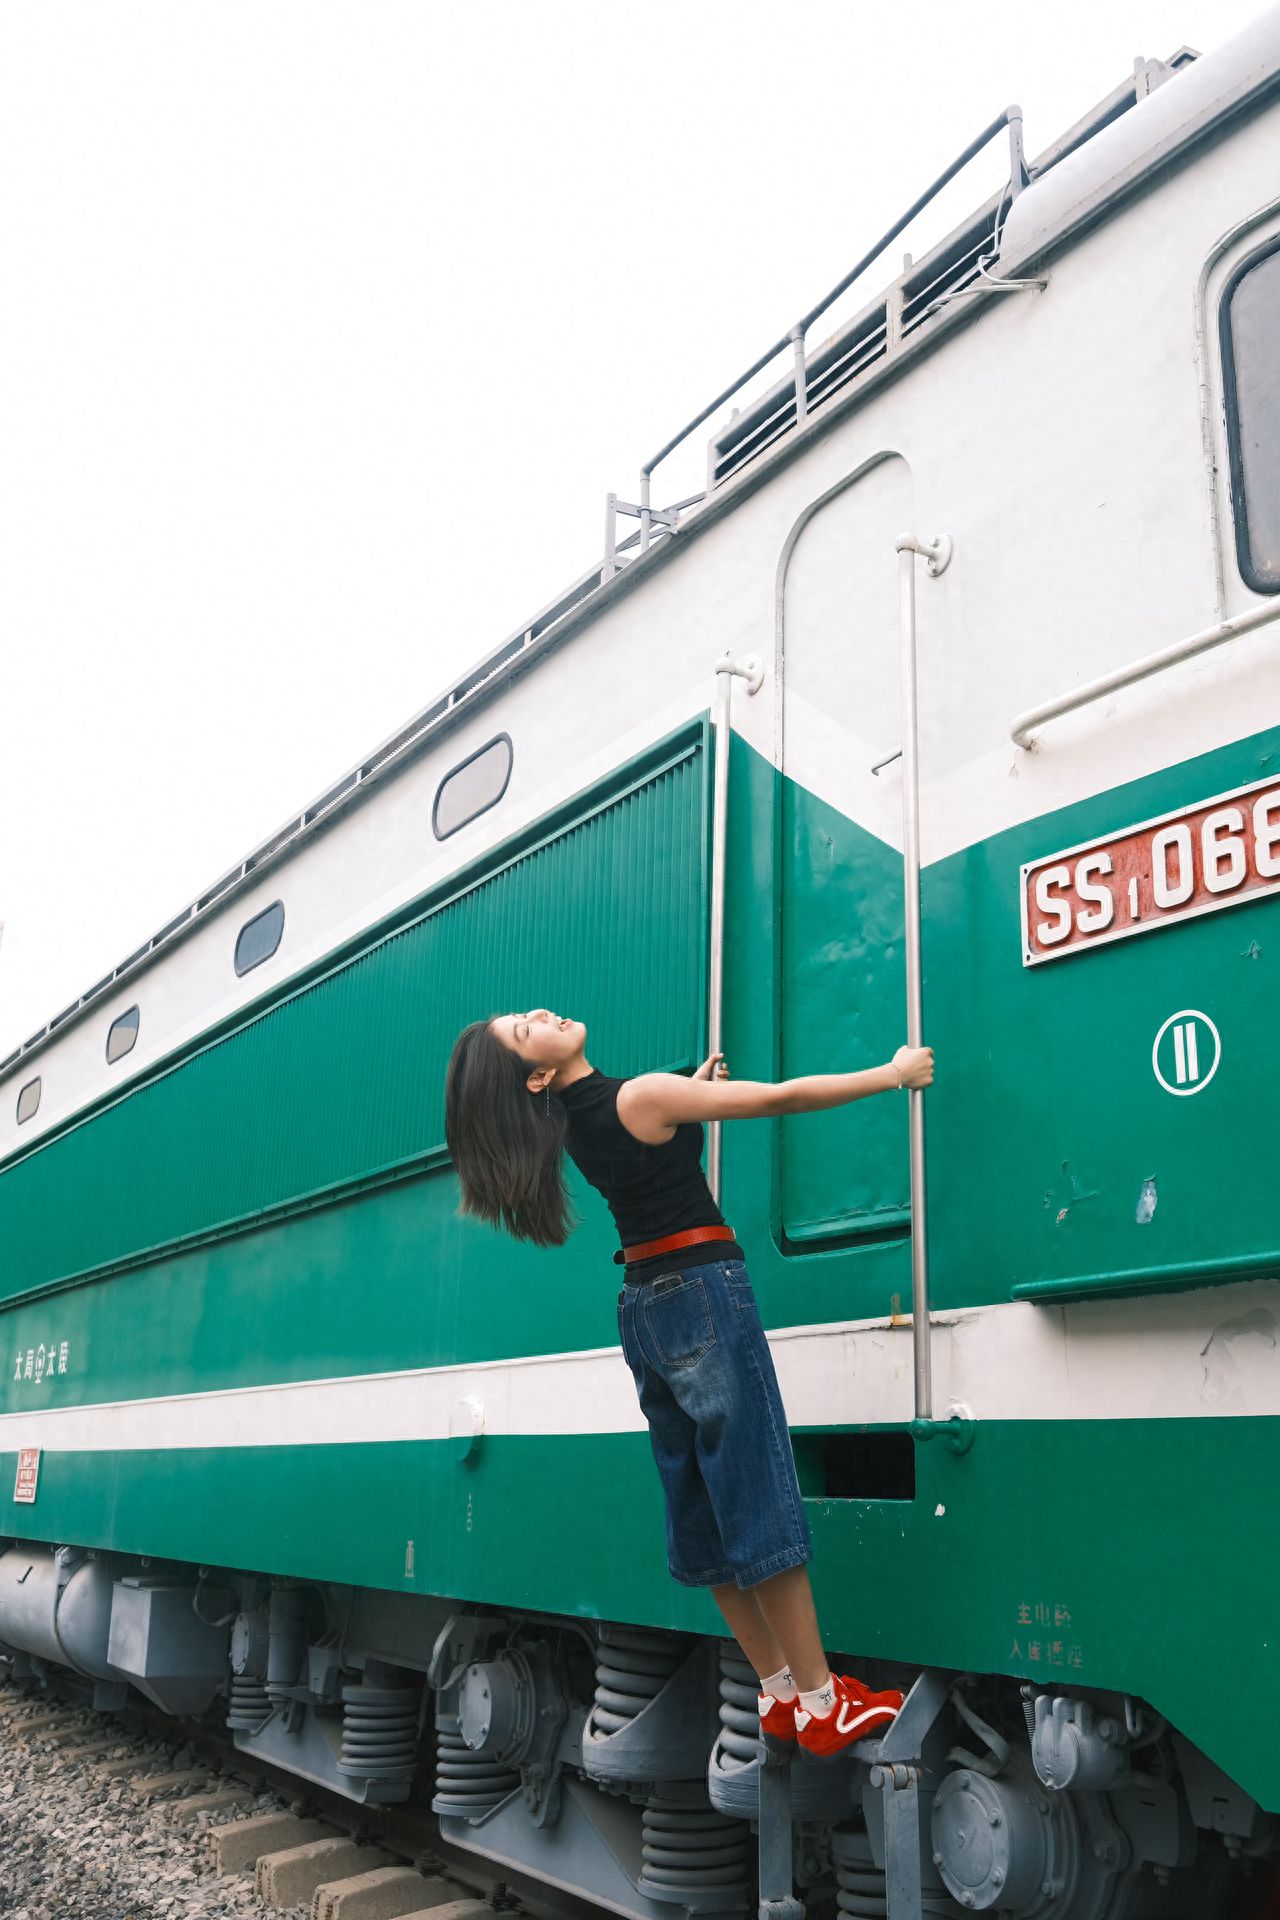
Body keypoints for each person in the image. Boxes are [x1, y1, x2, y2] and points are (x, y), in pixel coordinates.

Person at [444, 1007, 934, 1763]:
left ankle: (775, 1691)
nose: (541, 1014)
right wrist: (891, 1074)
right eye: (525, 1031)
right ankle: (820, 1700)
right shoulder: (639, 1098)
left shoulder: (583, 1121)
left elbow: (649, 1157)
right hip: (701, 1291)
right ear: (537, 1074)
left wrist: (689, 1097)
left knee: (701, 1503)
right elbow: (781, 1099)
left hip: (643, 1307)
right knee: (756, 1486)